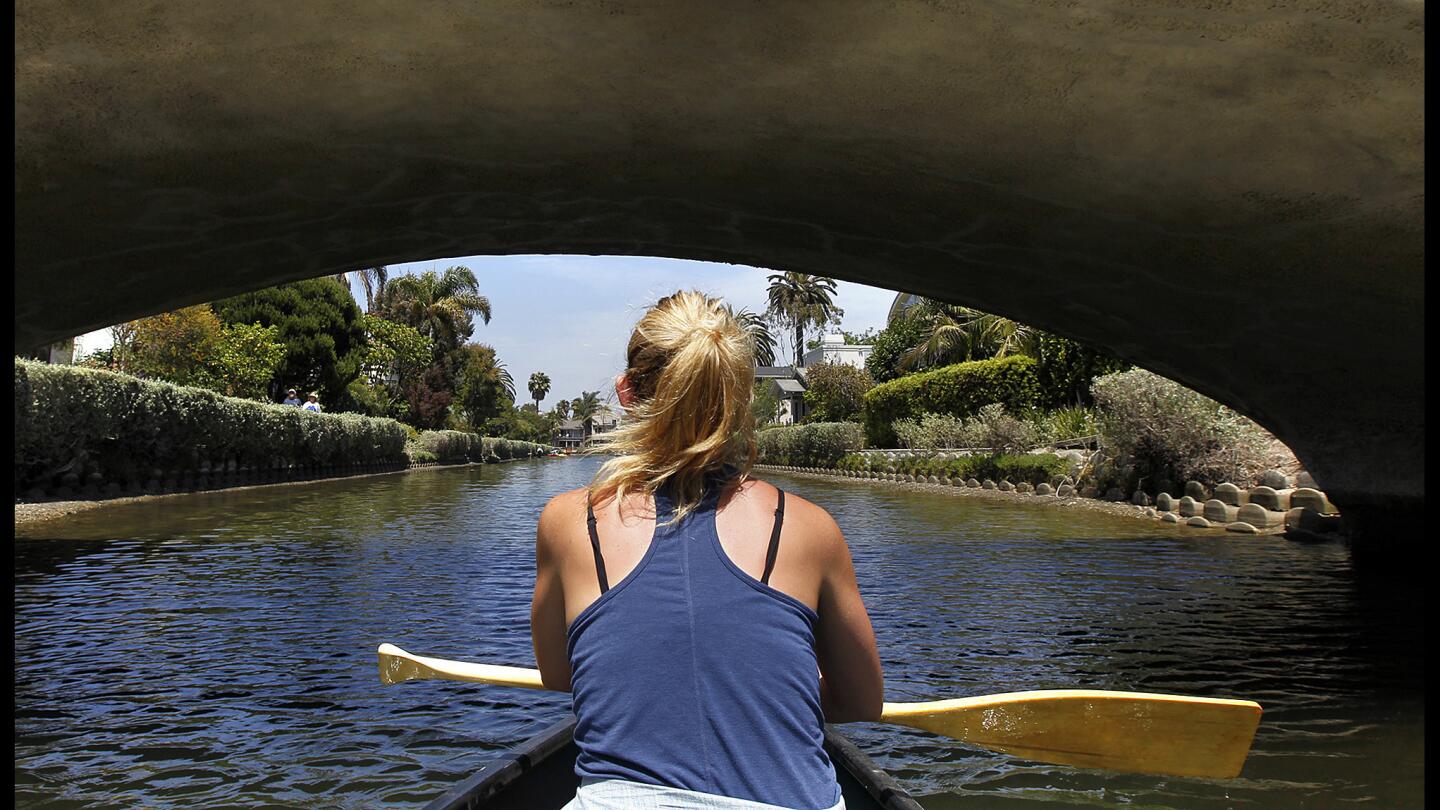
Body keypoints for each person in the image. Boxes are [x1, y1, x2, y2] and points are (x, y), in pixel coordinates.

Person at [531, 291, 883, 810]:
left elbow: (561, 675)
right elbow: (861, 701)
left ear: (626, 392)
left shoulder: (567, 522)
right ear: (740, 398)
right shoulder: (810, 529)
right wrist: (779, 698)